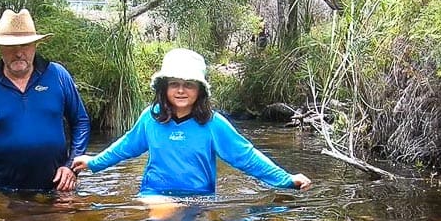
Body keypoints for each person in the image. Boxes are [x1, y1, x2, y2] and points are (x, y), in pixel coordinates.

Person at [71, 48, 312, 201]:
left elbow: (246, 157)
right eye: (174, 83)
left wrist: (286, 179)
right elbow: (126, 146)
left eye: (189, 84)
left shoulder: (214, 124)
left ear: (200, 91)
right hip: (153, 194)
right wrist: (94, 163)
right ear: (163, 88)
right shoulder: (150, 118)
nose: (181, 90)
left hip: (200, 199)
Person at [0, 9, 90, 195]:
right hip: (7, 195)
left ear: (36, 45)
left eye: (25, 45)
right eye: (11, 46)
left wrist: (71, 167)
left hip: (59, 191)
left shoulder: (58, 76)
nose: (19, 53)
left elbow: (81, 121)